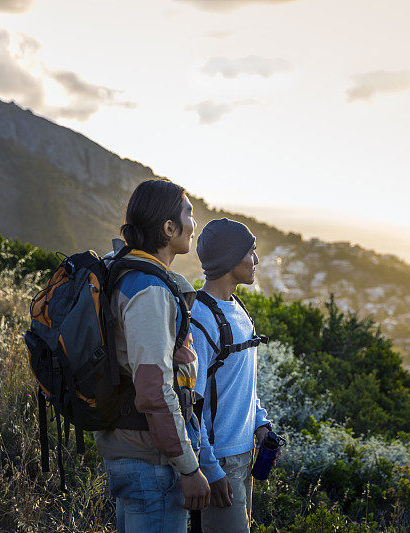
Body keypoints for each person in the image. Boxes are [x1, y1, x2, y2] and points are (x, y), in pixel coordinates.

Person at [94, 179, 211, 533]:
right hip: (151, 462)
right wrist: (189, 469)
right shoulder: (150, 290)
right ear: (168, 227)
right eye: (188, 213)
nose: (194, 223)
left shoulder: (123, 270)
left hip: (131, 450)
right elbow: (155, 392)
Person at [191, 218, 280, 533]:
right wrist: (210, 470)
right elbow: (192, 408)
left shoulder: (237, 308)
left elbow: (243, 383)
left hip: (244, 455)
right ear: (230, 260)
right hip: (220, 462)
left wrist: (260, 425)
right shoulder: (200, 321)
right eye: (251, 251)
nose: (256, 260)